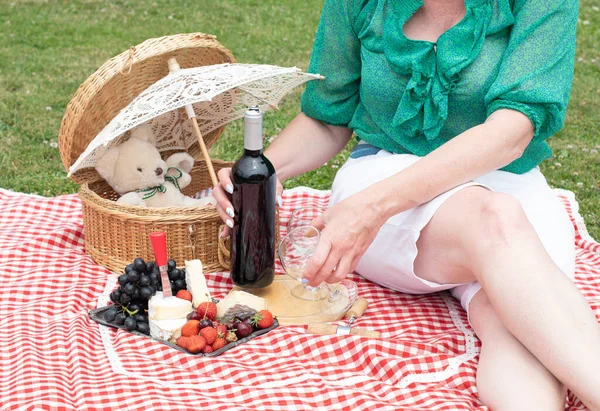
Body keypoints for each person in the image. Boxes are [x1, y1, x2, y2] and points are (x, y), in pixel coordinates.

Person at [214, 0, 600, 409]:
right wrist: (263, 174)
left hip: (506, 179)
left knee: (523, 327)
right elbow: (328, 118)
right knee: (496, 221)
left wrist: (371, 209)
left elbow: (512, 133)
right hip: (384, 175)